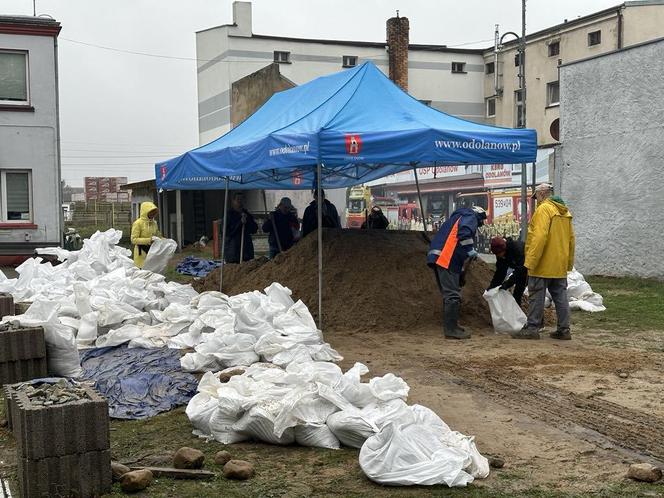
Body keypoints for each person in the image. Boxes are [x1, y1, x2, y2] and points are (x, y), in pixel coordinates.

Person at [512, 183, 576, 340]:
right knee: (560, 296)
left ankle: (532, 328)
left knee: (536, 294)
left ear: (541, 194)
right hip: (558, 263)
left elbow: (539, 237)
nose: (536, 200)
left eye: (536, 197)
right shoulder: (565, 212)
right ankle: (564, 329)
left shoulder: (543, 210)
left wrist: (531, 262)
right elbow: (571, 240)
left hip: (542, 263)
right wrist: (568, 263)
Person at [427, 205, 487, 339]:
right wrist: (470, 249)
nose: (478, 225)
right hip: (445, 258)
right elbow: (464, 233)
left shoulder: (457, 217)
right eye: (480, 222)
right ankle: (451, 330)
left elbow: (456, 249)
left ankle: (453, 326)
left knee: (449, 295)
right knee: (452, 296)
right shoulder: (470, 216)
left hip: (443, 258)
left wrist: (460, 272)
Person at [487, 236, 528, 306]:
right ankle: (515, 312)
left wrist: (507, 284)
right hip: (520, 268)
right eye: (496, 254)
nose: (498, 256)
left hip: (530, 268)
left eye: (499, 254)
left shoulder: (517, 249)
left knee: (519, 292)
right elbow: (500, 272)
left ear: (504, 249)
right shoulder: (500, 254)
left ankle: (532, 315)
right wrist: (492, 286)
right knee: (516, 295)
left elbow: (521, 270)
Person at [224, 192, 258, 264]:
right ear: (233, 201)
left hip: (246, 252)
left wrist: (247, 221)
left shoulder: (246, 214)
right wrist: (240, 223)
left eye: (242, 199)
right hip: (233, 252)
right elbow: (226, 232)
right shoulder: (229, 215)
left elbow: (254, 229)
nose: (240, 201)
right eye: (238, 199)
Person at [130, 201, 161, 268]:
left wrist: (165, 240)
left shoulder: (154, 223)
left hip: (152, 251)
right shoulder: (138, 223)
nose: (153, 214)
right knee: (142, 273)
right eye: (151, 212)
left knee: (152, 271)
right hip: (141, 253)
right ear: (145, 212)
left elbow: (158, 234)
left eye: (154, 212)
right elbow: (133, 240)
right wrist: (149, 240)